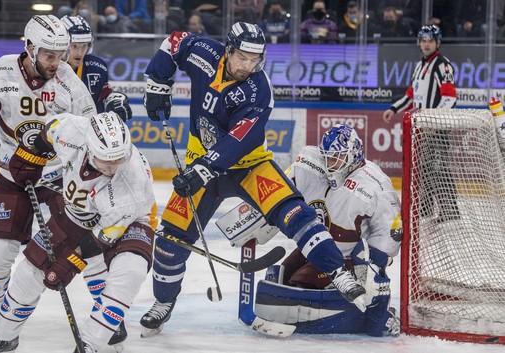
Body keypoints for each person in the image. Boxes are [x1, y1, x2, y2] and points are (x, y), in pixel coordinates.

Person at [137, 21, 367, 338]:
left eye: (255, 59)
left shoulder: (259, 90)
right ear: (228, 51)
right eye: (242, 57)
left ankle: (337, 272)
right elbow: (174, 42)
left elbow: (239, 141)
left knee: (296, 213)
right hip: (199, 162)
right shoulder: (203, 51)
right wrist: (157, 82)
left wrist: (204, 169)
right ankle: (163, 303)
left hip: (250, 166)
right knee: (169, 240)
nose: (248, 66)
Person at [0, 14, 96, 348]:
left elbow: (90, 132)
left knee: (90, 249)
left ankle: (106, 318)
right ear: (29, 47)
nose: (57, 62)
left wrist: (52, 157)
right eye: (49, 55)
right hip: (12, 177)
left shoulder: (69, 83)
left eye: (61, 54)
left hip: (59, 179)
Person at [0, 14, 133, 301]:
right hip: (17, 171)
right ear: (32, 47)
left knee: (83, 235)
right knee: (2, 231)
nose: (74, 55)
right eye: (70, 48)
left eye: (80, 47)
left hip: (63, 172)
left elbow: (92, 120)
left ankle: (105, 307)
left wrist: (114, 110)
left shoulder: (85, 74)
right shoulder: (3, 74)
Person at [0, 111, 157, 353]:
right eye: (107, 160)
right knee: (28, 272)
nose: (113, 167)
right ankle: (4, 336)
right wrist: (32, 155)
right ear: (89, 145)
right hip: (78, 213)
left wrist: (70, 263)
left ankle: (90, 344)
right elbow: (49, 130)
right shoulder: (72, 128)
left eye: (119, 159)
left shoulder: (133, 183)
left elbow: (100, 238)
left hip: (128, 223)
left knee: (129, 273)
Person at [218, 124, 402, 337]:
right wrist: (254, 221)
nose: (329, 164)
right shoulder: (307, 162)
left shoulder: (375, 184)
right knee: (281, 277)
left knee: (298, 283)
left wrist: (372, 268)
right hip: (311, 245)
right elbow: (279, 193)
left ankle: (358, 311)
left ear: (353, 155)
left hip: (344, 258)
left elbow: (390, 230)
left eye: (336, 158)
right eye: (326, 157)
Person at [382, 24, 458, 223]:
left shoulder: (443, 65)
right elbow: (410, 95)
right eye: (423, 40)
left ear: (437, 42)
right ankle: (425, 209)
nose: (426, 44)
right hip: (421, 126)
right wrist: (393, 108)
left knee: (438, 168)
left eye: (430, 40)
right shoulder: (420, 66)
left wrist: (435, 120)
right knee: (423, 168)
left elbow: (450, 98)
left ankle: (450, 210)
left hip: (436, 128)